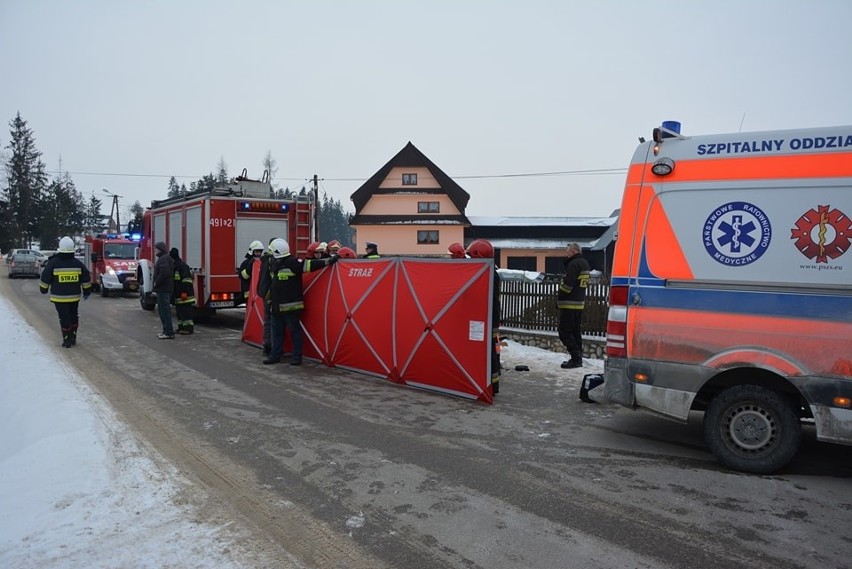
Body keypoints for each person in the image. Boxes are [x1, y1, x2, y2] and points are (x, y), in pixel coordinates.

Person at [263, 238, 338, 366]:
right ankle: (275, 355)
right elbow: (272, 284)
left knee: (294, 332)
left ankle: (296, 356)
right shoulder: (275, 263)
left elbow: (310, 265)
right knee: (276, 333)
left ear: (277, 252)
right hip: (276, 307)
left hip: (290, 307)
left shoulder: (293, 262)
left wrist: (328, 261)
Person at [39, 236, 92, 348]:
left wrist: (43, 289)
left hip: (59, 298)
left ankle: (66, 339)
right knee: (73, 316)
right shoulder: (78, 263)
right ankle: (73, 337)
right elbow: (86, 277)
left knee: (64, 317)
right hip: (74, 297)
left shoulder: (53, 263)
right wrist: (87, 291)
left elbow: (45, 276)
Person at [466, 239, 502, 394]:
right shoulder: (488, 272)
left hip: (488, 319)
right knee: (489, 350)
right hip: (487, 318)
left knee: (491, 352)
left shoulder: (488, 275)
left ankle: (492, 386)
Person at [557, 243, 591, 369]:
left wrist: (560, 292)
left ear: (573, 251)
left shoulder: (573, 264)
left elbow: (568, 285)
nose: (567, 253)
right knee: (576, 332)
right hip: (579, 303)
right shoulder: (584, 263)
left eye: (568, 251)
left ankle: (575, 358)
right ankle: (578, 357)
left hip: (569, 304)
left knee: (564, 332)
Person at [256, 238, 276, 355]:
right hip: (269, 295)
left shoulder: (264, 260)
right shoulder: (271, 261)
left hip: (265, 294)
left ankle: (267, 346)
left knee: (268, 320)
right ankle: (270, 346)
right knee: (271, 321)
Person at [153, 241, 176, 339]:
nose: (155, 250)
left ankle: (168, 332)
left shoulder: (163, 259)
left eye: (156, 248)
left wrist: (156, 282)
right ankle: (166, 331)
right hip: (164, 288)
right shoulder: (165, 258)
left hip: (163, 289)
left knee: (164, 311)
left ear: (160, 249)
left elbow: (164, 272)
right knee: (163, 310)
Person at [170, 248, 196, 334]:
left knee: (186, 313)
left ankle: (188, 329)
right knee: (180, 313)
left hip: (185, 295)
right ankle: (181, 327)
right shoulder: (175, 266)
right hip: (178, 295)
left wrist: (184, 292)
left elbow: (187, 280)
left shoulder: (182, 266)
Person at [238, 240, 264, 304]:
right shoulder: (245, 263)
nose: (258, 254)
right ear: (251, 251)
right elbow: (244, 277)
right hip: (249, 294)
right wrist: (250, 266)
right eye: (256, 252)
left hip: (259, 293)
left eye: (260, 252)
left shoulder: (262, 262)